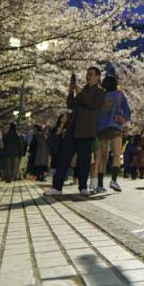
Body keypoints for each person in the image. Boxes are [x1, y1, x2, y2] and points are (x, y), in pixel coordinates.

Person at [45, 67, 106, 196]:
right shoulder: (83, 90)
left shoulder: (100, 92)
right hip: (73, 129)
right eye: (87, 74)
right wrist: (71, 91)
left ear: (98, 77)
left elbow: (92, 105)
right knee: (64, 158)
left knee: (83, 161)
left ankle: (83, 187)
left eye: (91, 74)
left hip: (87, 130)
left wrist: (81, 93)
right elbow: (70, 104)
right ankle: (57, 187)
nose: (88, 76)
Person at [92, 74, 131, 193]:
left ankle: (99, 184)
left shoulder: (101, 95)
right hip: (115, 126)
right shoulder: (119, 94)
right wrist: (125, 120)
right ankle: (113, 180)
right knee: (117, 155)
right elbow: (127, 110)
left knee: (103, 157)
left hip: (101, 128)